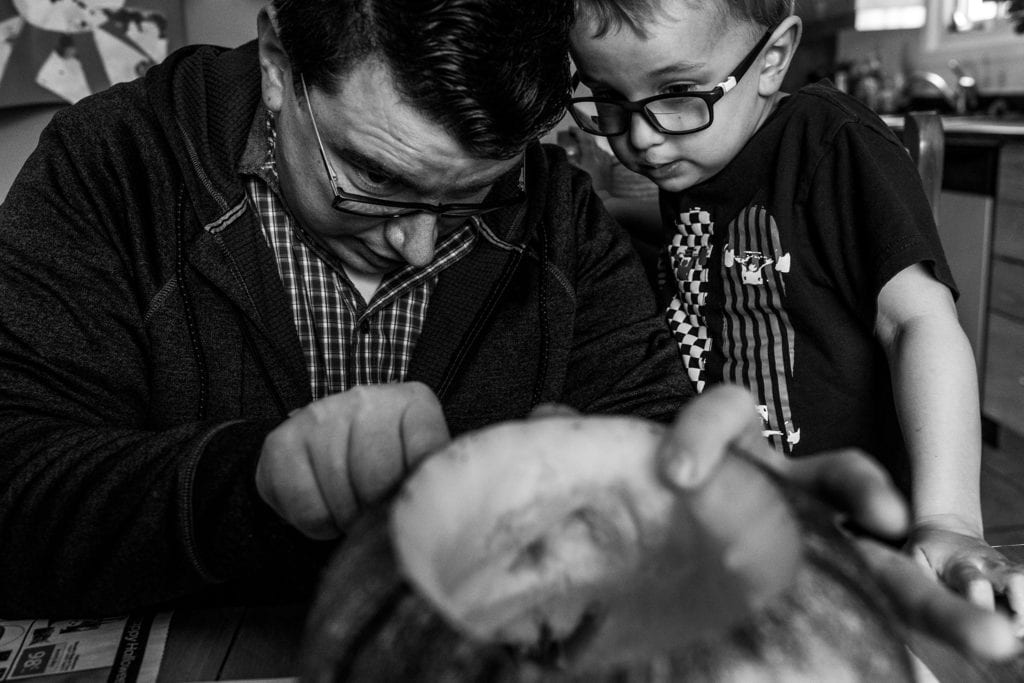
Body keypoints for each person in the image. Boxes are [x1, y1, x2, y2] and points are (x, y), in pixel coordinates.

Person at [0, 0, 1017, 662]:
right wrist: (249, 482)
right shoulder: (112, 168)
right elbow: (16, 486)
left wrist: (757, 534)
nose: (411, 246)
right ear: (277, 59)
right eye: (373, 180)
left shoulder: (556, 210)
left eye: (465, 199)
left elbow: (657, 430)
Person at [567, 0, 1024, 616]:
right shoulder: (701, 152)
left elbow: (918, 324)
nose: (641, 136)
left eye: (676, 91)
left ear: (772, 60)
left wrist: (949, 518)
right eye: (607, 97)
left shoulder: (829, 142)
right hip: (737, 541)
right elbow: (715, 235)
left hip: (849, 546)